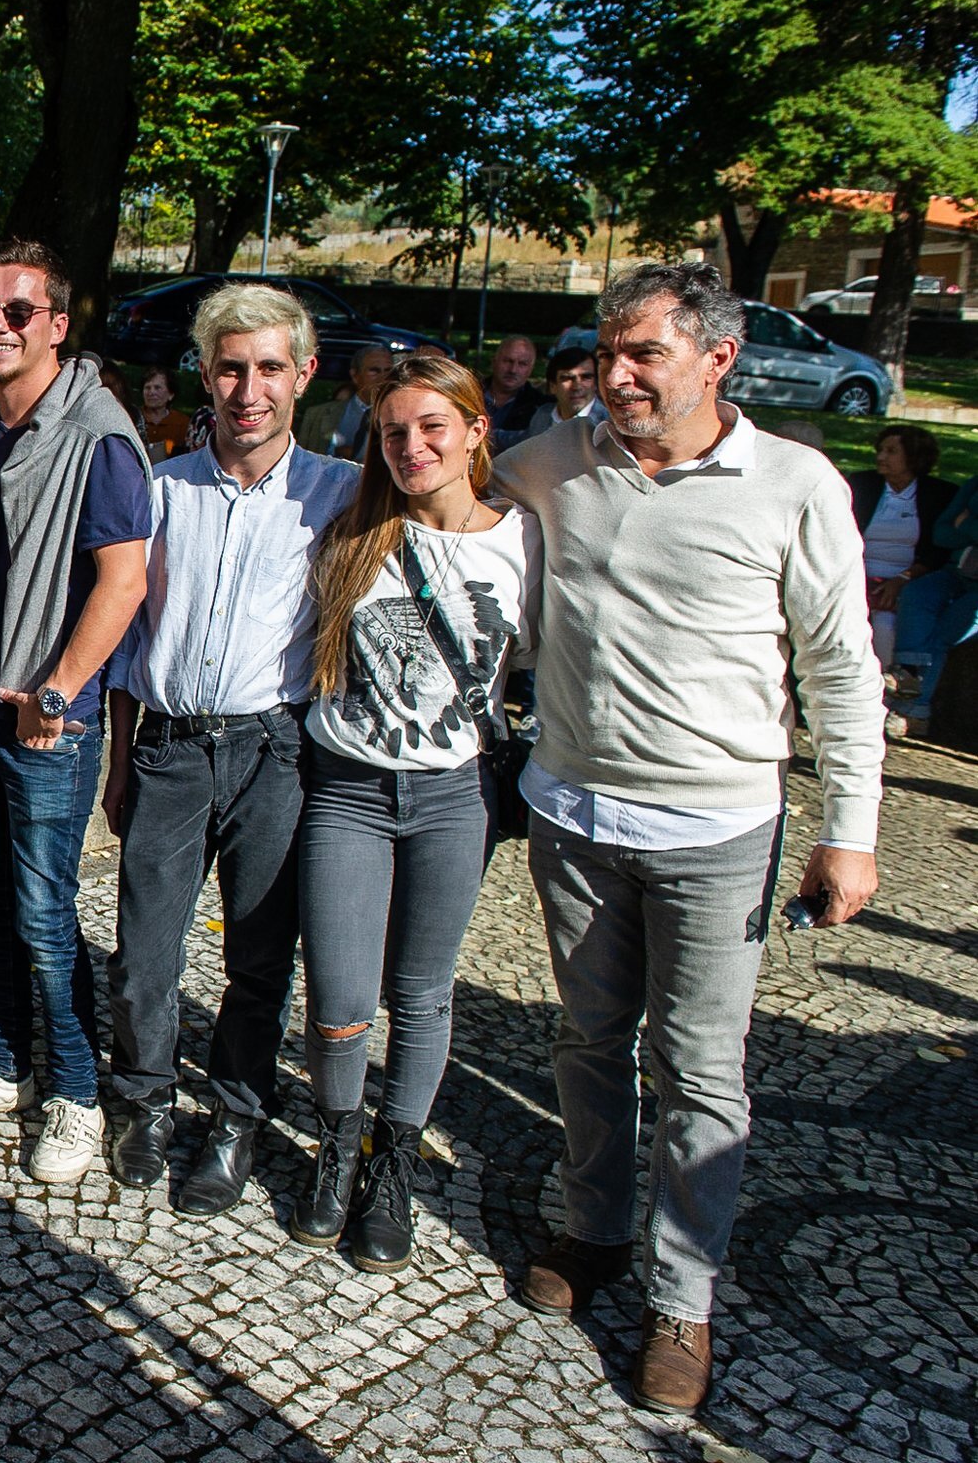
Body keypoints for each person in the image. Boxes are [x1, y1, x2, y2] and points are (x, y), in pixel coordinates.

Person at [494, 261, 882, 1417]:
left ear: (717, 358)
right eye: (604, 352)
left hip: (718, 824)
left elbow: (839, 667)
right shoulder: (553, 461)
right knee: (586, 1039)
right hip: (574, 814)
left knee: (700, 1069)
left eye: (641, 354)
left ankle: (681, 1297)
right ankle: (593, 1227)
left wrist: (848, 829)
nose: (612, 376)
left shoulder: (792, 484)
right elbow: (448, 499)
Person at [100, 282, 359, 1206]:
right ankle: (142, 1098)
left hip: (273, 751)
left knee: (258, 957)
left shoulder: (337, 493)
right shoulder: (161, 489)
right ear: (205, 376)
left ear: (303, 375)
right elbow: (128, 633)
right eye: (231, 369)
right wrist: (119, 760)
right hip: (168, 746)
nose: (249, 391)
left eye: (269, 369)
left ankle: (237, 1116)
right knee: (143, 954)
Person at [0, 239, 151, 1187]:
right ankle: (8, 1064)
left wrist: (57, 691)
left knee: (46, 916)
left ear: (57, 323)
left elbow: (123, 581)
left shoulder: (98, 435)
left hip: (45, 717)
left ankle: (76, 1097)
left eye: (18, 311)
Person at [292, 353, 539, 1271]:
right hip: (348, 791)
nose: (410, 446)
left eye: (432, 426)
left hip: (451, 795)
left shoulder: (521, 544)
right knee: (340, 995)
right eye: (392, 431)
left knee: (422, 992)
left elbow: (547, 664)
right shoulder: (353, 532)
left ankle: (392, 1159)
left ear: (476, 431)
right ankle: (336, 1143)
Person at [847, 423, 953, 670]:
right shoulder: (861, 484)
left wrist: (903, 579)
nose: (881, 457)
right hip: (856, 574)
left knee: (885, 624)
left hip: (907, 579)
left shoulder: (938, 494)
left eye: (891, 451)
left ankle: (883, 680)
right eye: (880, 450)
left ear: (914, 457)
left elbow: (937, 551)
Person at [889, 472, 978, 734]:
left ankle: (914, 710)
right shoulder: (974, 483)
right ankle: (907, 674)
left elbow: (955, 527)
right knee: (917, 593)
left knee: (942, 634)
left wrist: (965, 524)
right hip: (955, 573)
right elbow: (941, 533)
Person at [480, 334, 547, 438]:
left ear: (531, 369)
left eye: (522, 364)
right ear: (494, 362)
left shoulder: (539, 407)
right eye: (508, 361)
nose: (513, 370)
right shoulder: (470, 394)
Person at [136, 365, 187, 460]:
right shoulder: (133, 417)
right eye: (147, 388)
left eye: (157, 388)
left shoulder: (182, 423)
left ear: (171, 394)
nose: (151, 392)